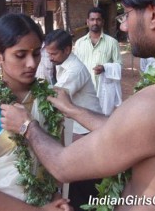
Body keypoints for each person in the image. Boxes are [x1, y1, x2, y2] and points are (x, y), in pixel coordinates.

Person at [0, 0, 155, 211]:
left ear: (152, 14)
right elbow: (128, 131)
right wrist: (72, 109)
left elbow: (62, 166)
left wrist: (26, 126)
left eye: (126, 14)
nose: (123, 26)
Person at [0, 13, 72, 211]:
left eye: (36, 53)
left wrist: (55, 197)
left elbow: (55, 161)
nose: (31, 63)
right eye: (20, 55)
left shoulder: (49, 99)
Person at [44, 29, 102, 210]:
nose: (50, 58)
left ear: (67, 50)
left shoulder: (74, 70)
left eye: (54, 54)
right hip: (78, 127)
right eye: (48, 54)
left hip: (85, 130)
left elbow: (53, 98)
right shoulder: (64, 64)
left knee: (82, 177)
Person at [74, 7, 122, 116]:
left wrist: (105, 68)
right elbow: (76, 67)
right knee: (85, 121)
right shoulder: (79, 43)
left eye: (98, 19)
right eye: (92, 19)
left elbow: (119, 65)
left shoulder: (112, 43)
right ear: (87, 21)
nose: (95, 22)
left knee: (103, 121)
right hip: (84, 90)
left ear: (103, 22)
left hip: (104, 90)